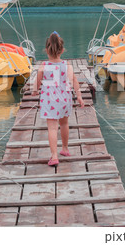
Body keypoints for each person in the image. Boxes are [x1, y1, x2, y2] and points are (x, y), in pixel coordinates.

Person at [32, 31, 85, 166]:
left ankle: (54, 156)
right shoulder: (67, 65)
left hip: (50, 100)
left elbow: (37, 82)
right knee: (64, 124)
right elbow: (74, 81)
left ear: (46, 50)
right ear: (62, 50)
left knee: (52, 128)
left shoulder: (44, 66)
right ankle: (65, 149)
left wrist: (34, 91)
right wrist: (79, 96)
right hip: (64, 99)